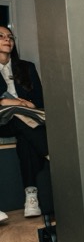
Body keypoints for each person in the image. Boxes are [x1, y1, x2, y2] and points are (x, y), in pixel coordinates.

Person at [0, 25, 48, 218]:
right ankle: (49, 152)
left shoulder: (27, 67)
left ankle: (31, 195)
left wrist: (25, 104)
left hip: (26, 121)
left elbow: (40, 101)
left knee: (25, 138)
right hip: (2, 122)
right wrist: (9, 102)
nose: (7, 39)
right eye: (1, 36)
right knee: (17, 115)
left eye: (10, 36)